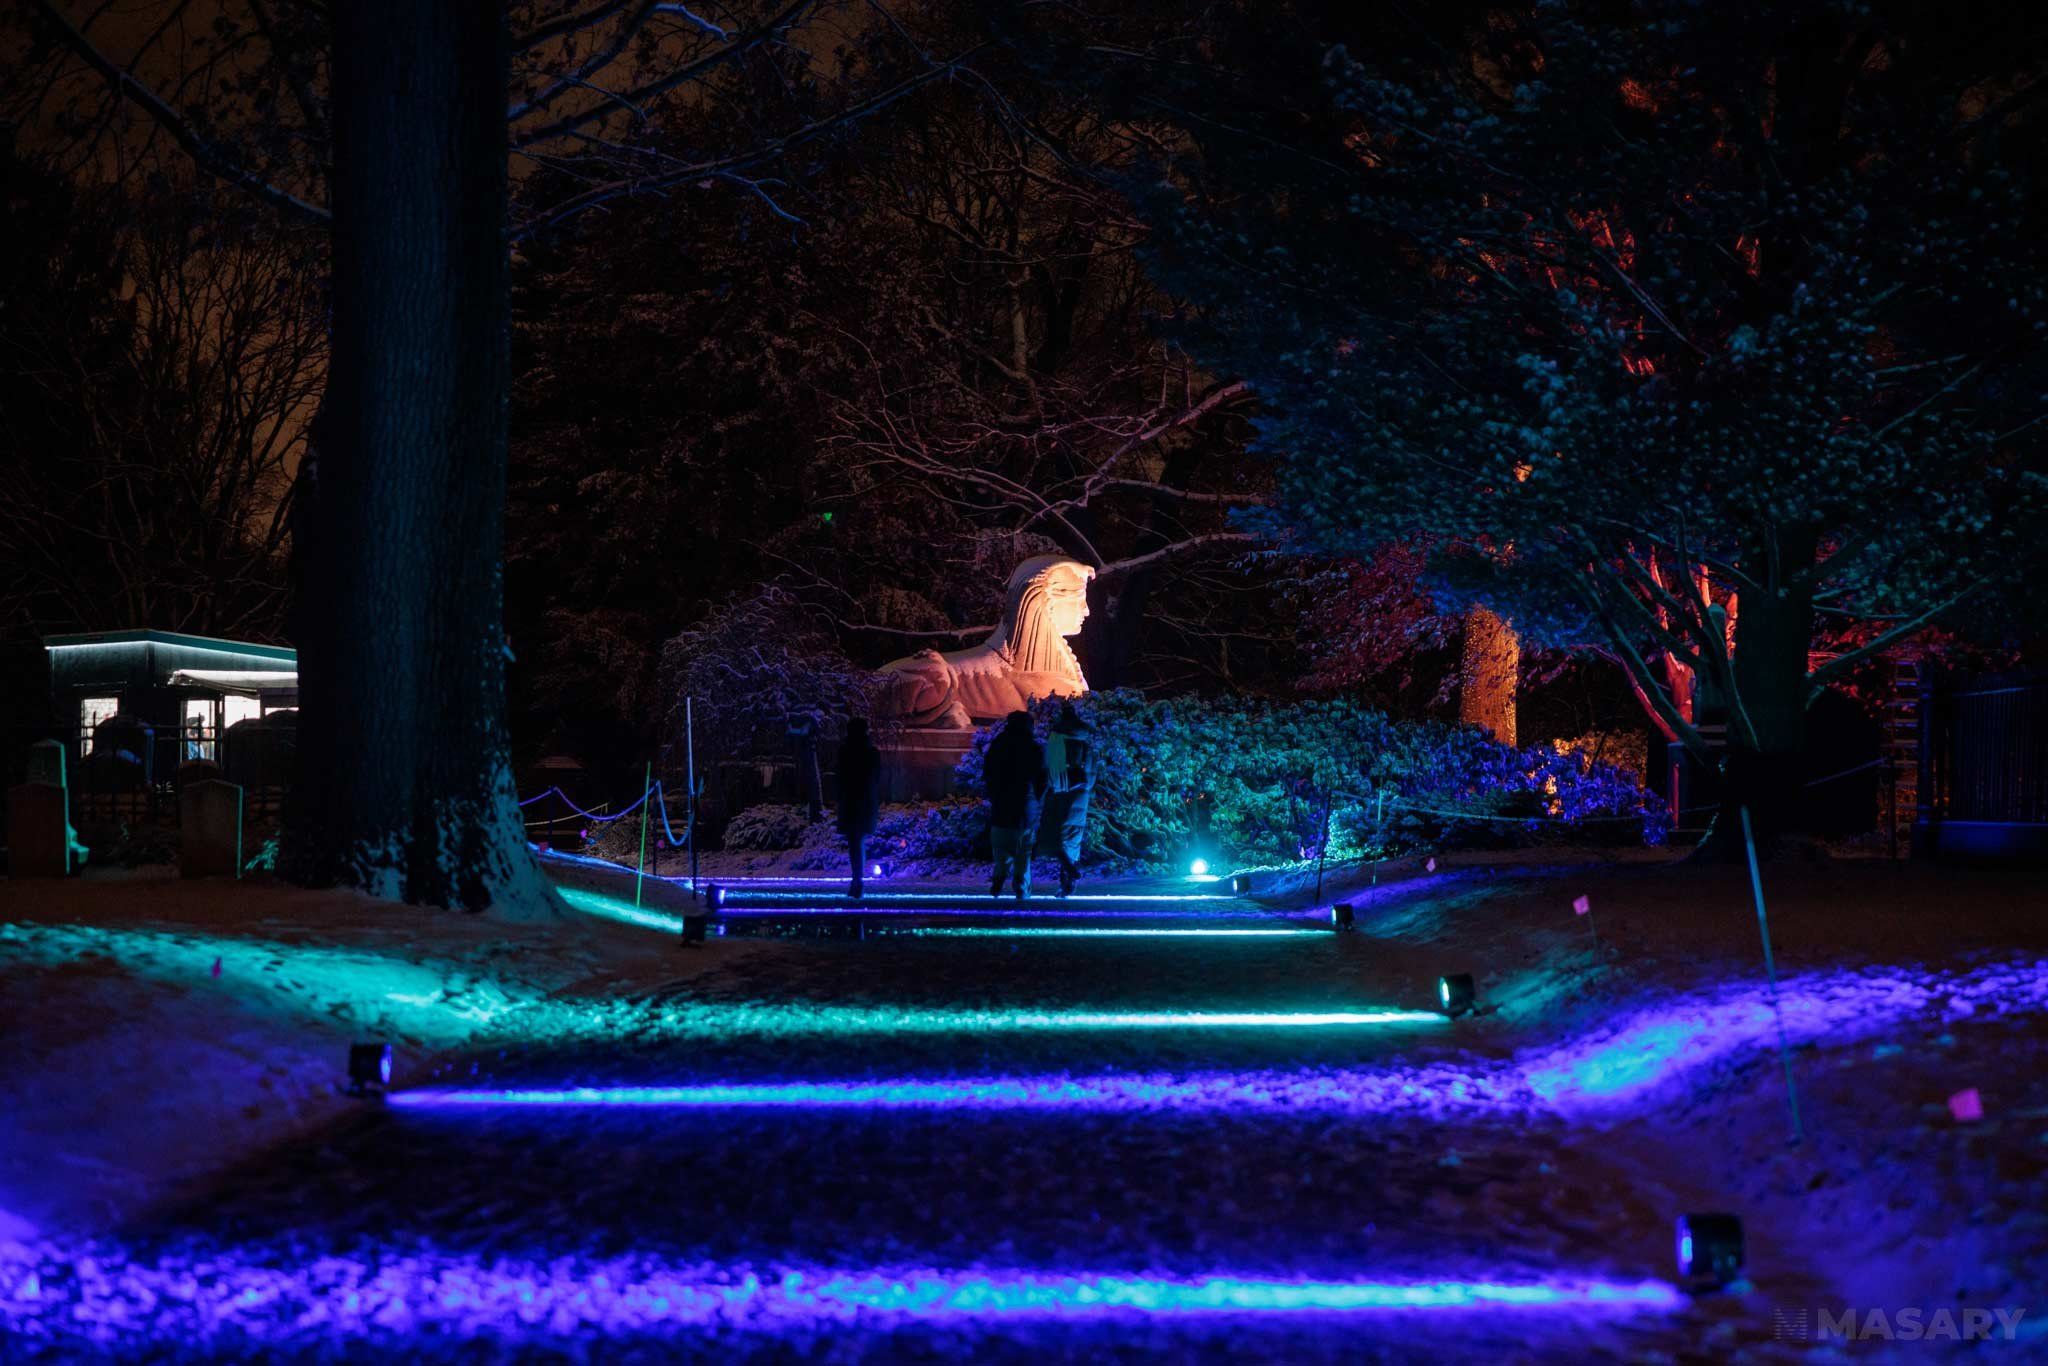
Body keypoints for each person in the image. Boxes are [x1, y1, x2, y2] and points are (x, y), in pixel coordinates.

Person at [982, 710, 1048, 899]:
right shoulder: (1033, 748)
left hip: (1001, 805)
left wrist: (993, 794)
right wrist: (1038, 799)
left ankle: (999, 877)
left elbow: (988, 773)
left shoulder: (998, 746)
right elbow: (1042, 779)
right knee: (1023, 851)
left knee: (1001, 848)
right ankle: (1021, 884)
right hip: (1025, 806)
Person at [1038, 701, 1096, 898]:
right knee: (1071, 839)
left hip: (1059, 789)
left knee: (1055, 836)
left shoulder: (1056, 738)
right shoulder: (1085, 742)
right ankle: (1068, 881)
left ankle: (1069, 877)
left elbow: (1048, 766)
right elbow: (1091, 769)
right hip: (1080, 792)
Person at [835, 717, 882, 899]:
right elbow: (876, 777)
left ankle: (857, 880)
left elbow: (840, 776)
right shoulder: (871, 752)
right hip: (865, 800)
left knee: (854, 842)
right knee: (858, 840)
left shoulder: (845, 751)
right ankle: (857, 880)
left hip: (850, 800)